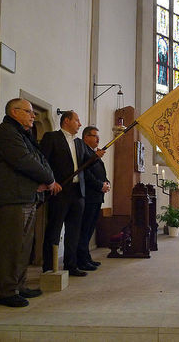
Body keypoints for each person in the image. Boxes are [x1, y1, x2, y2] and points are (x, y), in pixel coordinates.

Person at [0, 98, 58, 307]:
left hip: (25, 196)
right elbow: (24, 162)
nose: (33, 116)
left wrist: (47, 179)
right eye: (28, 112)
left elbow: (39, 160)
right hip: (11, 199)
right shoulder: (7, 133)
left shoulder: (23, 134)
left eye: (33, 113)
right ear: (14, 112)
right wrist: (49, 180)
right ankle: (7, 292)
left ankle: (20, 285)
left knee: (24, 246)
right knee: (11, 246)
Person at [40, 111, 104, 276]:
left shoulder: (80, 144)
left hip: (78, 192)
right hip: (60, 191)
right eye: (77, 120)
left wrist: (95, 157)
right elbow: (43, 162)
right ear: (66, 120)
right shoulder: (52, 137)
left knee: (74, 231)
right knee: (54, 229)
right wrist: (50, 182)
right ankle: (49, 266)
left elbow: (86, 166)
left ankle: (71, 264)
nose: (80, 124)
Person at [77, 126, 110, 270]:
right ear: (86, 137)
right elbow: (86, 174)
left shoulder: (93, 154)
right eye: (94, 136)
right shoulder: (85, 153)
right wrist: (99, 186)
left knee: (90, 229)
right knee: (84, 229)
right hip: (89, 196)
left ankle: (86, 257)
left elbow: (100, 173)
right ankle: (81, 259)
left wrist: (107, 183)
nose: (98, 139)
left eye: (98, 136)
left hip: (97, 197)